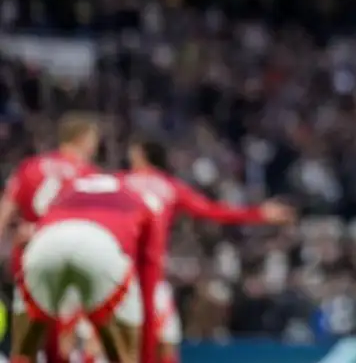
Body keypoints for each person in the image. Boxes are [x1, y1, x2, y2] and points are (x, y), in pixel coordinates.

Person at [118, 135, 294, 363]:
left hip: (118, 271)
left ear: (140, 154)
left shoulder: (118, 183)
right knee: (163, 340)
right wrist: (259, 213)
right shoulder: (170, 187)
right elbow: (214, 211)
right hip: (149, 276)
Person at [10, 172, 165, 363]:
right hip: (104, 247)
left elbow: (25, 237)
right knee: (125, 355)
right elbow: (149, 284)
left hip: (45, 242)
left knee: (23, 352)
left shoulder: (63, 192)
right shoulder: (141, 200)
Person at [1, 113, 102, 363]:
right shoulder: (90, 175)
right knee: (64, 337)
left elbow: (6, 210)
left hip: (28, 256)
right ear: (83, 139)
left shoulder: (30, 166)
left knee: (28, 334)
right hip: (67, 261)